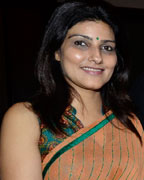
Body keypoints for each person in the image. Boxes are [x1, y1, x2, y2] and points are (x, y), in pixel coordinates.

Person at [1, 1, 144, 179]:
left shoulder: (130, 123)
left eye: (107, 48)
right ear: (57, 52)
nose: (97, 57)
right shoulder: (28, 119)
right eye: (81, 43)